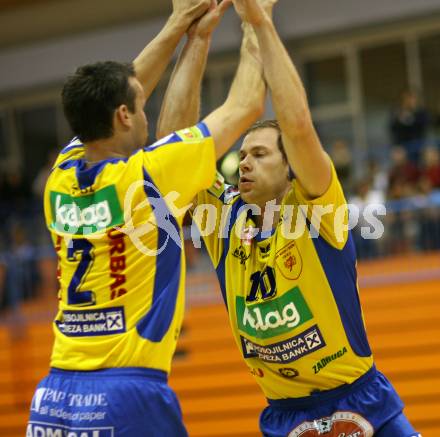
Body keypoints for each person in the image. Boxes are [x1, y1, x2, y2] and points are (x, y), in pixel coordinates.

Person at [158, 0, 420, 436]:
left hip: (358, 400)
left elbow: (298, 125)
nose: (243, 164)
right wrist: (196, 37)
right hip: (283, 414)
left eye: (259, 155)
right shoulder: (223, 221)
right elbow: (171, 150)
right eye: (241, 156)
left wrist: (258, 23)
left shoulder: (318, 208)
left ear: (290, 168)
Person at [26, 1, 266, 436]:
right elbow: (246, 104)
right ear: (123, 116)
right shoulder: (146, 176)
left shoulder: (59, 176)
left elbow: (119, 93)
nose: (145, 110)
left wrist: (184, 26)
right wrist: (257, 22)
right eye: (139, 106)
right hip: (125, 393)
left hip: (54, 396)